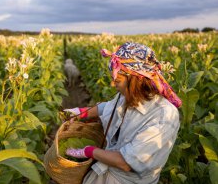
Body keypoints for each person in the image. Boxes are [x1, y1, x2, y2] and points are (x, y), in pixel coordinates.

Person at [64, 42, 181, 184]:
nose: (112, 85)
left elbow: (126, 162)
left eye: (117, 80)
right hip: (103, 174)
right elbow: (110, 107)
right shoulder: (128, 95)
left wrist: (90, 151)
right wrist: (81, 113)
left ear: (136, 79)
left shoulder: (164, 115)